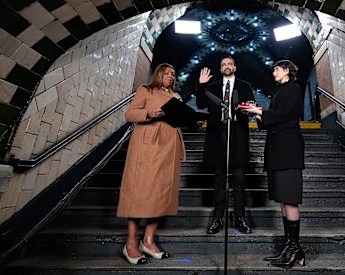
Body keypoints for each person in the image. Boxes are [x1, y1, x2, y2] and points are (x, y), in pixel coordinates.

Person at [117, 63, 186, 264]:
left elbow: (176, 119)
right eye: (167, 73)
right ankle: (130, 243)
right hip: (148, 148)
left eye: (174, 74)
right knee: (141, 193)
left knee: (160, 194)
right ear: (158, 74)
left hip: (168, 150)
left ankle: (148, 240)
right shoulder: (145, 90)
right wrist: (149, 113)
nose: (171, 77)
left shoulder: (176, 96)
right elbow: (130, 113)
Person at [243, 59, 306, 269]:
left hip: (288, 151)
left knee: (289, 200)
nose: (273, 73)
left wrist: (259, 112)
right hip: (278, 151)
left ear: (287, 70)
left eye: (276, 69)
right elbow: (272, 119)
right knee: (282, 200)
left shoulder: (293, 89)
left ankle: (295, 248)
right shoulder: (280, 91)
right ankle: (290, 247)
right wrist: (257, 112)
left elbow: (284, 114)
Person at [196, 56, 255, 234]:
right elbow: (200, 104)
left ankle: (240, 218)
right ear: (220, 69)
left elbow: (251, 107)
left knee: (239, 180)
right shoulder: (212, 87)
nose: (226, 66)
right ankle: (217, 219)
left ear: (235, 67)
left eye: (229, 64)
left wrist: (248, 107)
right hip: (217, 138)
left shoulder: (245, 86)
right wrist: (201, 85)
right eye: (223, 64)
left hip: (238, 137)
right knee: (219, 181)